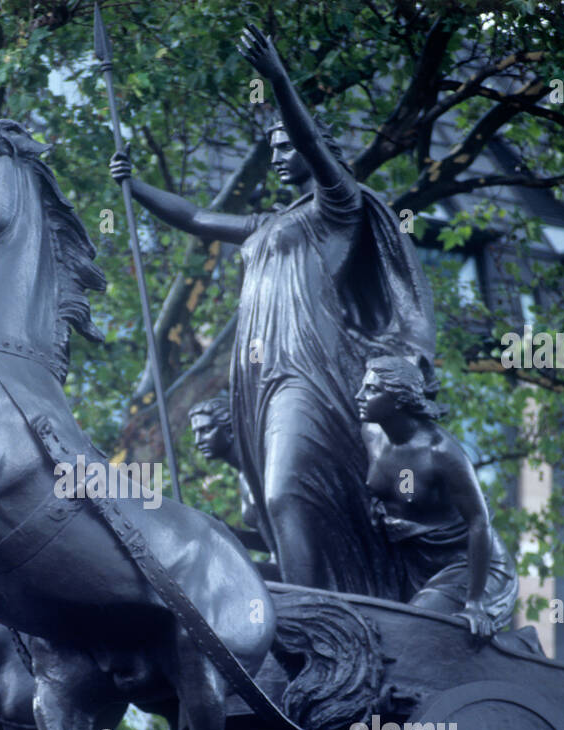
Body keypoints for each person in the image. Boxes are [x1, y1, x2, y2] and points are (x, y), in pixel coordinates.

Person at [110, 24, 436, 598]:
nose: (282, 157)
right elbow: (194, 218)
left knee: (288, 490)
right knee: (269, 498)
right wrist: (133, 186)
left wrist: (278, 78)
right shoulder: (268, 225)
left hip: (311, 371)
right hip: (257, 378)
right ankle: (306, 596)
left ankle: (312, 614)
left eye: (290, 147)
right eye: (275, 149)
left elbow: (310, 143)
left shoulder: (339, 206)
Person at [356, 357, 517, 638]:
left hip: (469, 566)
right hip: (413, 558)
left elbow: (479, 522)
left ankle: (522, 645)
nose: (360, 396)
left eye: (371, 390)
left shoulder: (441, 453)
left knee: (412, 629)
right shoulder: (371, 433)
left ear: (398, 400)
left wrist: (475, 602)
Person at [188, 394, 272, 563]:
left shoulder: (263, 471)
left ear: (230, 429)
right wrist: (233, 534)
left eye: (205, 430)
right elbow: (273, 542)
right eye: (196, 433)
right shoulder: (244, 476)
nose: (198, 441)